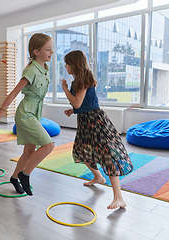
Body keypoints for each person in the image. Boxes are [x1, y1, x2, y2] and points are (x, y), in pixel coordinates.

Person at [61, 50, 133, 209]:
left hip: (95, 122)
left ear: (74, 63)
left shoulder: (82, 79)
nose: (65, 66)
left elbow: (78, 102)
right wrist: (73, 110)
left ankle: (118, 197)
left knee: (107, 156)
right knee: (82, 151)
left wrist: (65, 89)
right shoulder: (80, 79)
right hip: (86, 121)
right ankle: (98, 177)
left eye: (67, 63)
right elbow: (84, 103)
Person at [0, 33, 55, 195]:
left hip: (35, 111)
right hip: (26, 113)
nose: (51, 52)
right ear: (36, 52)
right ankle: (26, 175)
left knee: (29, 152)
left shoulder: (45, 68)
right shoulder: (31, 70)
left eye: (51, 49)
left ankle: (15, 178)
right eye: (48, 49)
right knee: (49, 145)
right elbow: (14, 93)